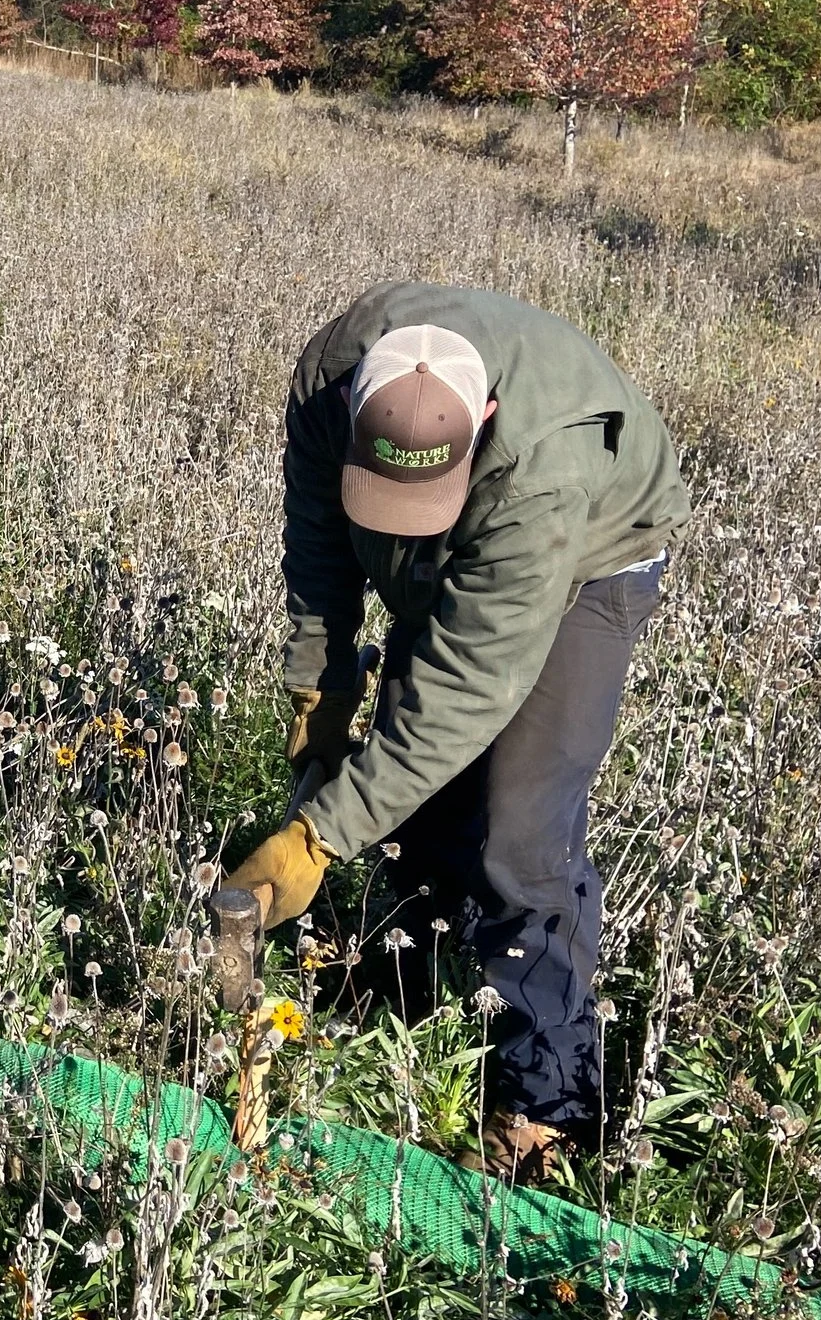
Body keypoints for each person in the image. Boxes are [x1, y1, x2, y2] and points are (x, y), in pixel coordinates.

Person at [220, 282, 689, 1183]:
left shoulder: (540, 474)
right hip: (464, 527)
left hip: (593, 549)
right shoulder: (330, 380)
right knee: (413, 790)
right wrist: (318, 695)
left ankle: (542, 1104)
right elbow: (321, 546)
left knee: (520, 823)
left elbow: (469, 687)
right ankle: (395, 991)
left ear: (485, 422)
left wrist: (319, 835)